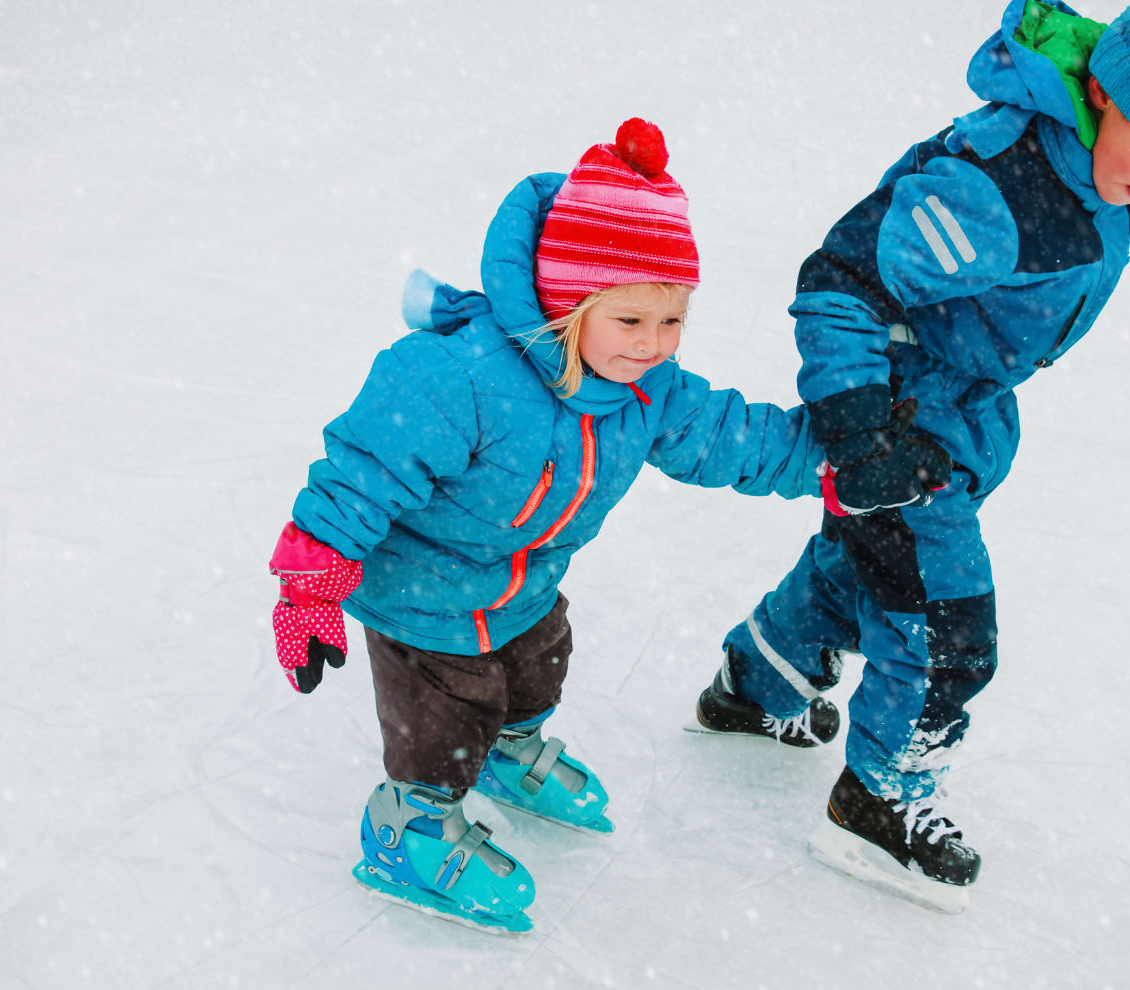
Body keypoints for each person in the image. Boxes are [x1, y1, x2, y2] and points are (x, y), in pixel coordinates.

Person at [689, 0, 1130, 912]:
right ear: (1102, 90)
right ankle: (877, 802)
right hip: (904, 419)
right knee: (945, 626)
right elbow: (842, 280)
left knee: (867, 568)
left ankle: (757, 682)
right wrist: (862, 430)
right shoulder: (998, 184)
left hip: (959, 411)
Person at [266, 119, 931, 933]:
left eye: (671, 320)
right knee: (447, 711)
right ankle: (407, 820)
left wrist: (834, 464)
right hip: (424, 593)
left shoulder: (646, 387)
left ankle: (510, 752)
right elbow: (360, 473)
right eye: (630, 321)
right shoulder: (460, 375)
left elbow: (729, 437)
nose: (652, 345)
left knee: (538, 664)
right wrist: (311, 587)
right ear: (566, 302)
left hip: (523, 580)